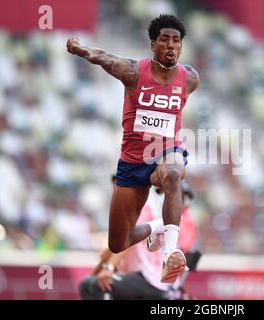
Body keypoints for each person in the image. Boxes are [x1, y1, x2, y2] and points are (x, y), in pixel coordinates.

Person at [67, 14, 199, 283]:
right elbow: (103, 57)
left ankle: (169, 253)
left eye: (177, 41)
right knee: (118, 242)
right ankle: (156, 227)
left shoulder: (189, 78)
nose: (172, 46)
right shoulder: (134, 72)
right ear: (153, 44)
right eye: (165, 40)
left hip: (166, 150)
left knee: (173, 174)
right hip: (132, 160)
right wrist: (80, 49)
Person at [79, 180, 197, 300]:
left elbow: (126, 241)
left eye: (184, 198)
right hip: (154, 281)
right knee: (90, 284)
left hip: (151, 280)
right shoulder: (154, 216)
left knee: (95, 286)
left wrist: (108, 268)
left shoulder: (181, 220)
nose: (185, 203)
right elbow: (113, 249)